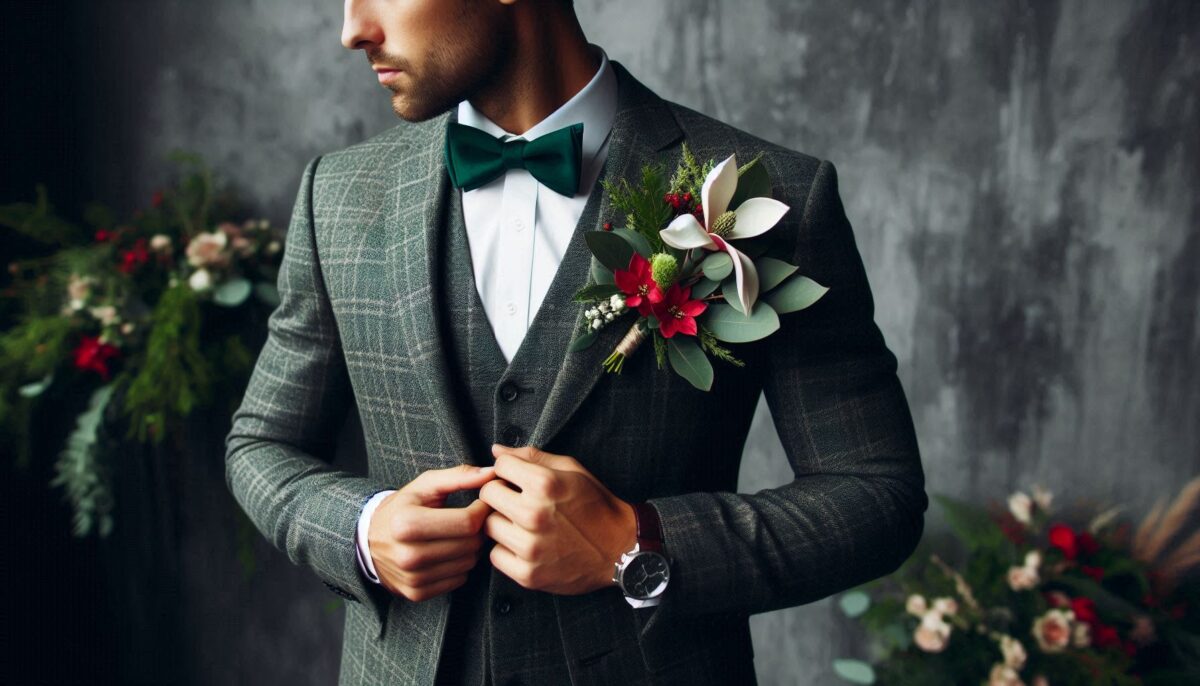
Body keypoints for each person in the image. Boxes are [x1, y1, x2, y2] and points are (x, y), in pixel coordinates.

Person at [224, 1, 928, 684]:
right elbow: (260, 444)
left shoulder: (762, 197)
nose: (353, 29)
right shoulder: (339, 195)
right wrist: (360, 530)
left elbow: (878, 495)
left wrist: (639, 542)